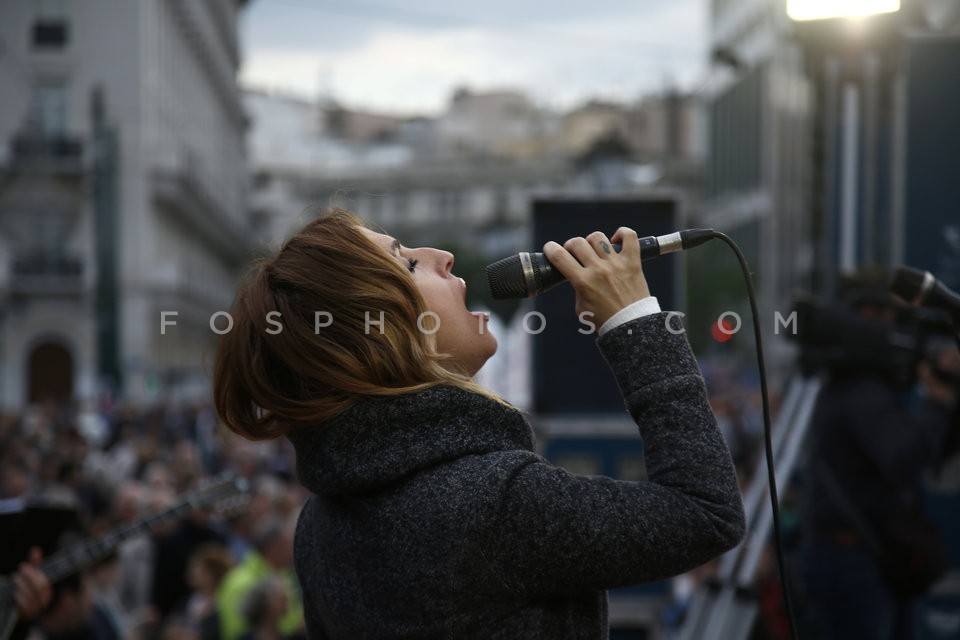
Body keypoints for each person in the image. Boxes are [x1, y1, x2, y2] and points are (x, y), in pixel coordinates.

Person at [211, 209, 746, 638]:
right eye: (408, 264)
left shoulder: (319, 526)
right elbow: (706, 512)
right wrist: (635, 321)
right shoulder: (490, 503)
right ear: (383, 336)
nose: (441, 256)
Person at [796, 271, 960, 640]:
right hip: (853, 563)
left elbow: (931, 454)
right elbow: (906, 457)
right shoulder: (861, 389)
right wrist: (937, 401)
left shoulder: (863, 384)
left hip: (872, 559)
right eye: (894, 318)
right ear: (868, 314)